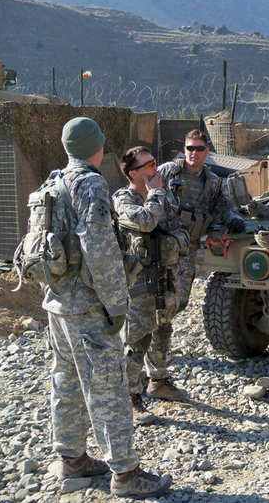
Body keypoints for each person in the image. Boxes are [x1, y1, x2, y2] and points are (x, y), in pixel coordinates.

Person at [46, 117, 170, 498]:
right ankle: (126, 473)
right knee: (108, 388)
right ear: (96, 147)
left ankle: (72, 459)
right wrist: (117, 303)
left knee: (65, 382)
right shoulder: (91, 183)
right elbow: (98, 249)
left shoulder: (52, 182)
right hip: (87, 307)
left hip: (58, 303)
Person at [155, 130, 245, 400]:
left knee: (178, 303)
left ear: (207, 151)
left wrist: (232, 219)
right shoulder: (169, 172)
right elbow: (144, 192)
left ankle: (156, 354)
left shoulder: (214, 182)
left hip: (187, 253)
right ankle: (152, 364)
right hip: (161, 250)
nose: (193, 154)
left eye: (198, 149)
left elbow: (224, 206)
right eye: (189, 148)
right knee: (158, 306)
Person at [113, 146, 189, 417]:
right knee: (137, 339)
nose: (155, 169)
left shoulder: (162, 194)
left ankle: (158, 380)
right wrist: (157, 192)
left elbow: (174, 224)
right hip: (138, 280)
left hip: (164, 275)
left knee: (163, 328)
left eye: (155, 163)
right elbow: (145, 222)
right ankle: (131, 396)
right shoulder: (124, 198)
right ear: (133, 173)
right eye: (148, 166)